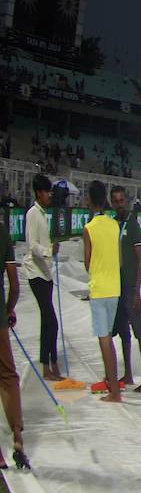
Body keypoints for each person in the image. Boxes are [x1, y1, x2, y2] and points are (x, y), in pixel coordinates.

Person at [80, 183, 126, 405]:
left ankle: (115, 391)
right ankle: (110, 379)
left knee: (105, 340)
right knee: (108, 336)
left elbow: (87, 263)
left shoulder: (89, 228)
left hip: (99, 289)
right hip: (114, 288)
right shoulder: (114, 225)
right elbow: (119, 258)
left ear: (90, 200)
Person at [109, 187, 141, 392]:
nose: (118, 204)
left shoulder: (132, 224)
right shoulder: (112, 224)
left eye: (121, 200)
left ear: (125, 201)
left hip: (130, 287)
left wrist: (137, 291)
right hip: (117, 286)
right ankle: (127, 373)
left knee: (139, 333)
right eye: (115, 201)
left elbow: (140, 260)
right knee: (123, 331)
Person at [24, 180, 63, 384]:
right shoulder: (33, 213)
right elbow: (32, 245)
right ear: (39, 193)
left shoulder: (41, 213)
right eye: (47, 191)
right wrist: (49, 251)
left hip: (45, 273)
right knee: (51, 322)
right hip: (36, 273)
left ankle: (48, 365)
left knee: (47, 321)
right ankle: (50, 365)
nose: (50, 195)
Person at [3, 208, 25, 468]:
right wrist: (8, 310)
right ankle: (17, 436)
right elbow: (15, 287)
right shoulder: (2, 233)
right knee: (8, 376)